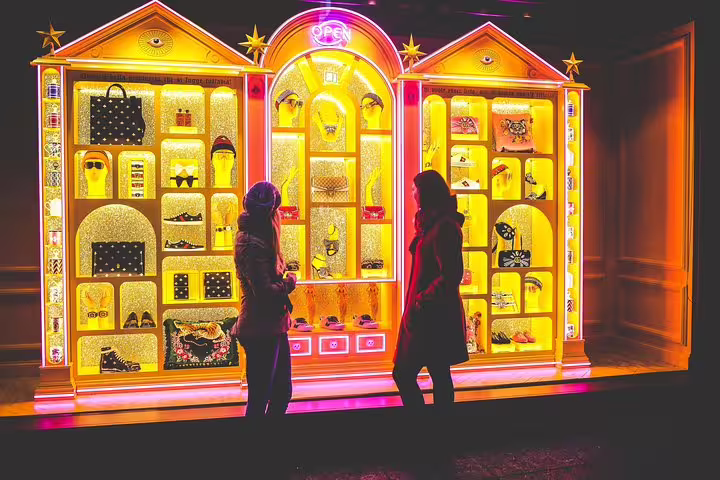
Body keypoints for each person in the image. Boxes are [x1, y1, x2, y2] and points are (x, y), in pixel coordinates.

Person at [393, 170, 469, 409]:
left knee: (406, 373)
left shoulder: (444, 227)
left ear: (426, 192)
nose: (412, 193)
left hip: (432, 315)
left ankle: (426, 428)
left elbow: (450, 275)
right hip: (429, 313)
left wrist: (420, 301)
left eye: (415, 188)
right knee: (437, 372)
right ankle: (436, 430)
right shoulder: (433, 223)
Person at [231, 181, 296, 417]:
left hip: (271, 325)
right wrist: (288, 283)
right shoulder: (252, 242)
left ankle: (265, 447)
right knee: (262, 398)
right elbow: (265, 291)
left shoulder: (257, 238)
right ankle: (257, 450)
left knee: (279, 393)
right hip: (260, 328)